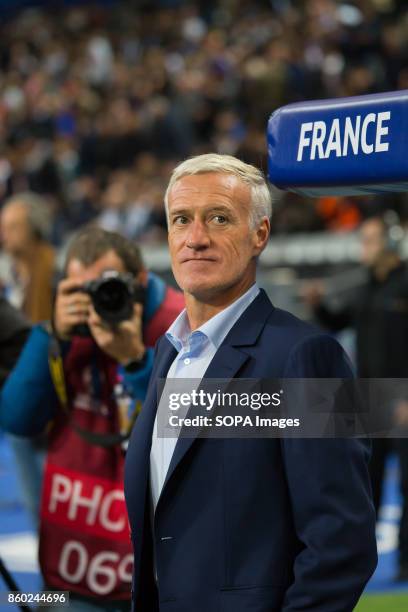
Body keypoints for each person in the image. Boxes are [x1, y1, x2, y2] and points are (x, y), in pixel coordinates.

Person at [124, 153, 378, 612]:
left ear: (259, 234)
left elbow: (343, 542)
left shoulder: (310, 356)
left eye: (219, 218)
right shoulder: (168, 353)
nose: (195, 238)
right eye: (182, 220)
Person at [0, 227, 184, 611]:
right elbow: (16, 419)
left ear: (140, 281)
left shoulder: (180, 324)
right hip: (76, 559)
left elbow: (202, 430)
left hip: (153, 560)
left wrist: (135, 359)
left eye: (108, 286)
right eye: (81, 291)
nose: (98, 301)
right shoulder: (65, 333)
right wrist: (51, 335)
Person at [303, 215, 408, 581]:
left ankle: (406, 564)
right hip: (369, 400)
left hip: (404, 399)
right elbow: (337, 322)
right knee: (366, 482)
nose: (365, 248)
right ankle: (366, 560)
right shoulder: (365, 288)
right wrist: (318, 306)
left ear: (392, 243)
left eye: (371, 240)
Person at [0, 191, 56, 525]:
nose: (5, 234)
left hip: (53, 406)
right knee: (34, 504)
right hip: (17, 398)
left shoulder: (54, 274)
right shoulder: (13, 281)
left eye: (13, 226)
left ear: (35, 229)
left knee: (56, 500)